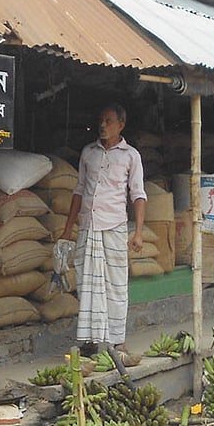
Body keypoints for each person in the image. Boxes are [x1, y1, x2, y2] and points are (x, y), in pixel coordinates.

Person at [60, 104, 147, 362]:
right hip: (88, 226)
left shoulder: (131, 156)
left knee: (116, 284)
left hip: (114, 226)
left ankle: (118, 341)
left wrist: (138, 232)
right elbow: (79, 190)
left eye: (109, 121)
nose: (103, 125)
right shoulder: (88, 152)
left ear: (121, 125)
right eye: (101, 120)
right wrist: (67, 229)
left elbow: (138, 194)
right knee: (87, 283)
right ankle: (90, 340)